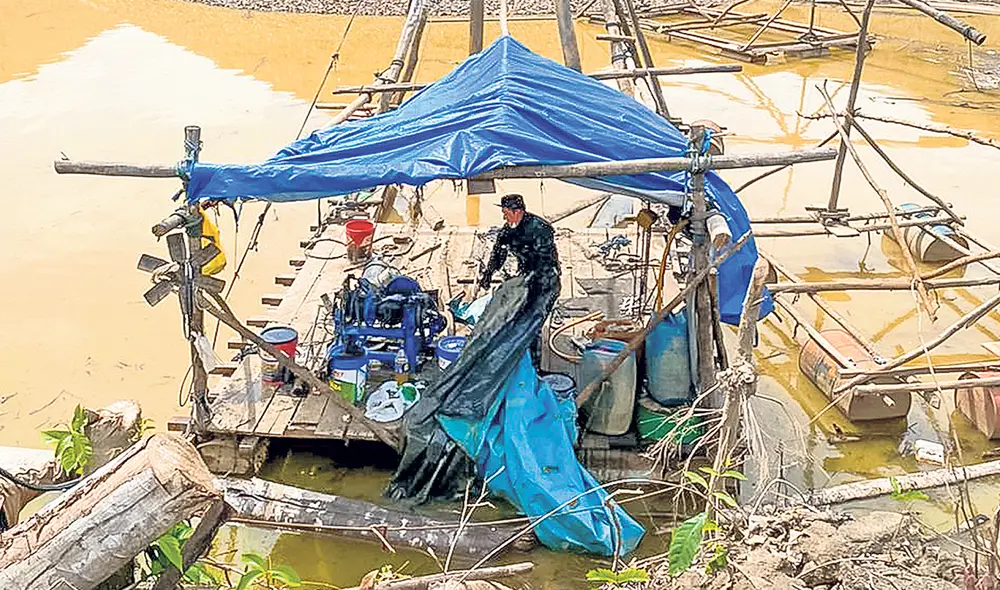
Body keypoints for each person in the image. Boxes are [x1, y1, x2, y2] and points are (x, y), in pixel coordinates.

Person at [478, 194, 561, 369]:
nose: (504, 217)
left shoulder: (540, 228)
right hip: (527, 276)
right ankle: (520, 356)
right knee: (518, 317)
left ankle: (535, 367)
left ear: (517, 212)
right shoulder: (507, 231)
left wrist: (531, 280)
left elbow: (545, 258)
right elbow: (498, 253)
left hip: (546, 280)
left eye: (506, 213)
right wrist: (488, 273)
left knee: (533, 321)